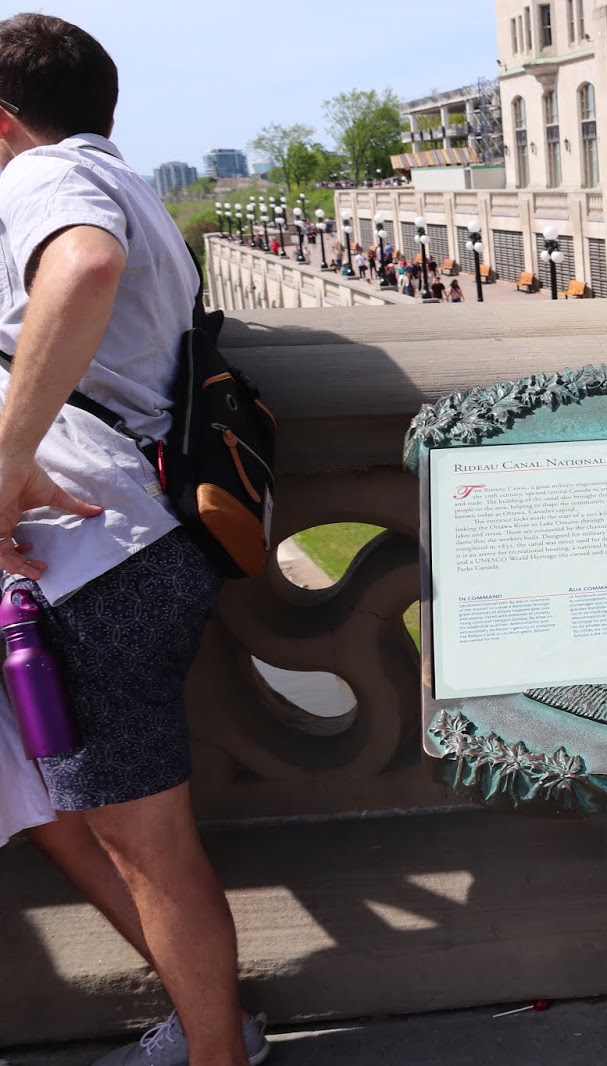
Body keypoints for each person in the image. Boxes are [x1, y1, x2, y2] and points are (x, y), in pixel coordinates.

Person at [0, 13, 266, 1066]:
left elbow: (84, 269)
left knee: (153, 853)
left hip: (95, 568)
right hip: (126, 555)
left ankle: (219, 1052)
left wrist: (7, 457)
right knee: (69, 808)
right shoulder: (126, 176)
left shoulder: (39, 179)